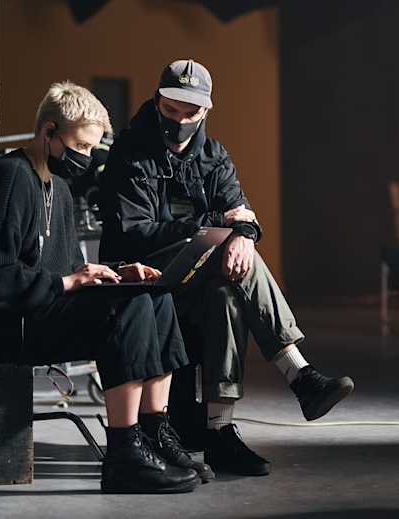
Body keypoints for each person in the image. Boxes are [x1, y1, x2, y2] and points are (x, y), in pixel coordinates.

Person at [0, 81, 213, 493]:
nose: (85, 157)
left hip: (32, 310)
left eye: (91, 148)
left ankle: (154, 431)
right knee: (129, 309)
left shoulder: (59, 190)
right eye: (81, 146)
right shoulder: (9, 178)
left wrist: (115, 272)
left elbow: (64, 271)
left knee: (155, 299)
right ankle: (124, 454)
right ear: (48, 131)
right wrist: (69, 281)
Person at [100, 60, 355, 477]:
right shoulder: (129, 154)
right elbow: (135, 232)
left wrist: (244, 236)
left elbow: (244, 214)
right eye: (170, 110)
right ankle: (300, 374)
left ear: (206, 110)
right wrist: (214, 227)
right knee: (230, 257)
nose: (180, 121)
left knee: (226, 297)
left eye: (190, 113)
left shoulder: (214, 156)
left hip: (198, 279)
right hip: (145, 278)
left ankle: (219, 432)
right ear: (157, 101)